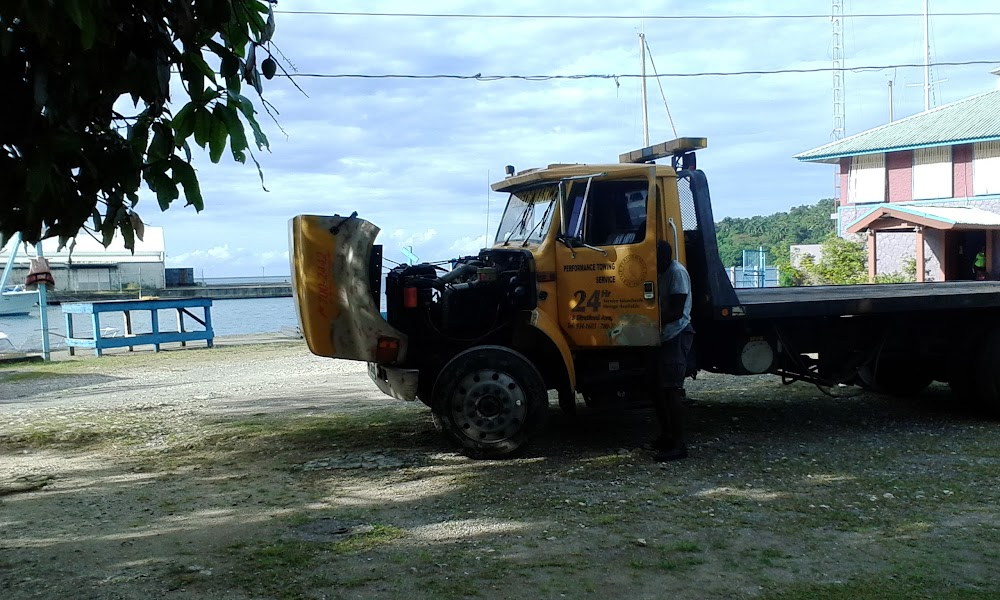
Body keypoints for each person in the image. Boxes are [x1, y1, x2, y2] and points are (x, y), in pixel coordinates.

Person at [649, 240, 695, 461]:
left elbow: (676, 311)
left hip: (676, 334)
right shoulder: (659, 271)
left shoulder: (676, 273)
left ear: (664, 258)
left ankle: (679, 444)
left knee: (671, 389)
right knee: (658, 389)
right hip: (663, 335)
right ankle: (666, 436)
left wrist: (648, 322)